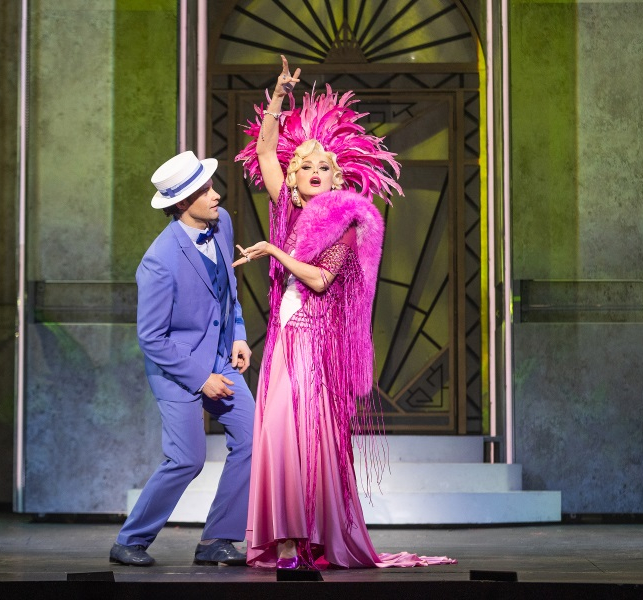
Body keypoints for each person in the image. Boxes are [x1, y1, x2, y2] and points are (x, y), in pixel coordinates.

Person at [233, 56, 456, 569]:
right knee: (279, 437)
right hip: (285, 337)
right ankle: (286, 541)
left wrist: (274, 250)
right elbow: (265, 150)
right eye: (305, 166)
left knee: (308, 440)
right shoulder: (287, 208)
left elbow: (319, 279)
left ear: (336, 179)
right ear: (293, 177)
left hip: (316, 344)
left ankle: (308, 538)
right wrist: (278, 97)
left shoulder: (347, 223)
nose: (314, 173)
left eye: (323, 168)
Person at [109, 150, 255, 567]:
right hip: (176, 368)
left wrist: (239, 335)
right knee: (187, 459)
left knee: (253, 438)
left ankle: (217, 540)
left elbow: (228, 291)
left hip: (219, 357)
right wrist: (201, 378)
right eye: (205, 191)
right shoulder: (158, 261)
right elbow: (152, 338)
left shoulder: (221, 225)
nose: (216, 195)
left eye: (210, 186)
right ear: (181, 203)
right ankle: (130, 540)